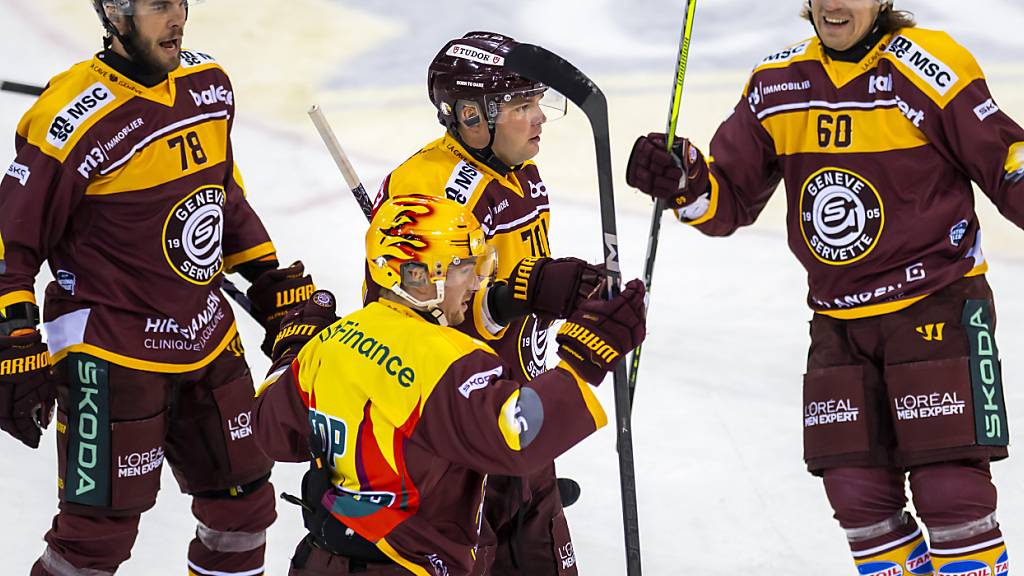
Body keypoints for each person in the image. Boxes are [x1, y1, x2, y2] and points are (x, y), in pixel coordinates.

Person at [626, 0, 1018, 573]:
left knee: (949, 490)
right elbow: (728, 199)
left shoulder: (931, 64)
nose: (835, 4)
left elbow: (1004, 157)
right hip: (838, 321)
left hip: (936, 303)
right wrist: (683, 179)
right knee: (856, 494)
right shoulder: (776, 83)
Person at [0, 1, 316, 574]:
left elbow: (224, 199)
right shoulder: (69, 119)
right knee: (95, 536)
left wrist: (270, 281)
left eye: (179, 3)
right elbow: (11, 244)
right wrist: (13, 336)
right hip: (110, 348)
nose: (176, 19)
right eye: (156, 6)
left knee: (243, 506)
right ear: (115, 15)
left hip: (205, 335)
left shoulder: (209, 85)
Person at [253, 193, 647, 575]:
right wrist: (586, 357)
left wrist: (291, 349)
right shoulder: (445, 359)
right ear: (415, 275)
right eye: (462, 268)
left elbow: (271, 430)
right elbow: (515, 434)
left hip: (320, 563)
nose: (476, 283)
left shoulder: (329, 343)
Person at [363, 31, 606, 575]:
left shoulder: (519, 170)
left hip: (516, 412)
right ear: (471, 115)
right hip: (456, 430)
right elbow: (414, 318)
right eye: (523, 105)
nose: (540, 117)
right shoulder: (428, 191)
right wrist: (528, 288)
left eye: (538, 101)